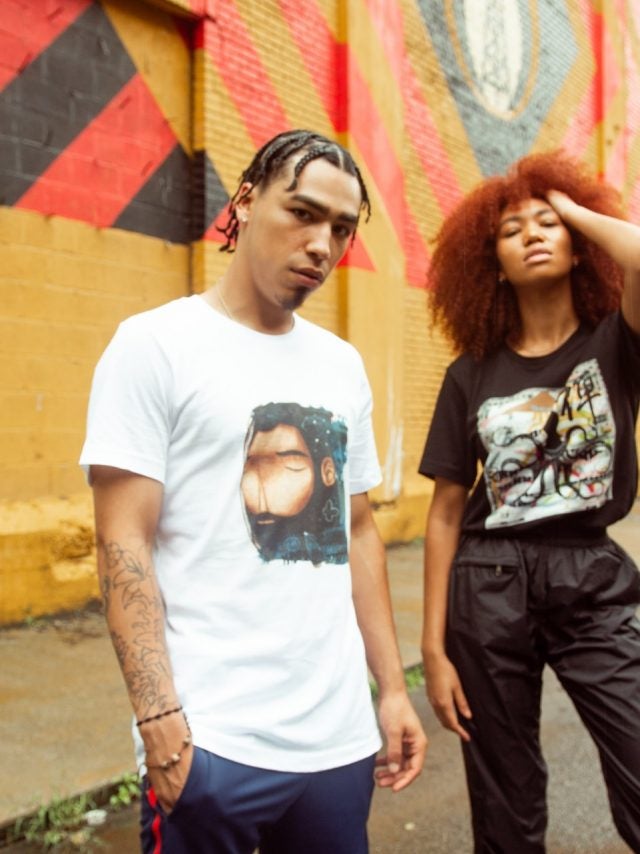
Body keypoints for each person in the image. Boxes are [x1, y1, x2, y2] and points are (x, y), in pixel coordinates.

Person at [80, 129, 427, 854]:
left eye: (341, 229)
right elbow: (122, 540)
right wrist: (158, 720)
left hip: (337, 743)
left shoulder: (341, 365)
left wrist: (392, 689)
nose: (321, 245)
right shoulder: (155, 346)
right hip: (214, 740)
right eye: (302, 213)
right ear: (244, 201)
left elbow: (358, 529)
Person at [419, 150, 640, 853]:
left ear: (579, 247)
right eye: (511, 230)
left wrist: (570, 208)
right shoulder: (470, 373)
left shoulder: (616, 342)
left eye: (548, 224)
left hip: (590, 577)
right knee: (504, 803)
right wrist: (433, 646)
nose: (533, 235)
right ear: (492, 262)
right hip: (486, 583)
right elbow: (445, 511)